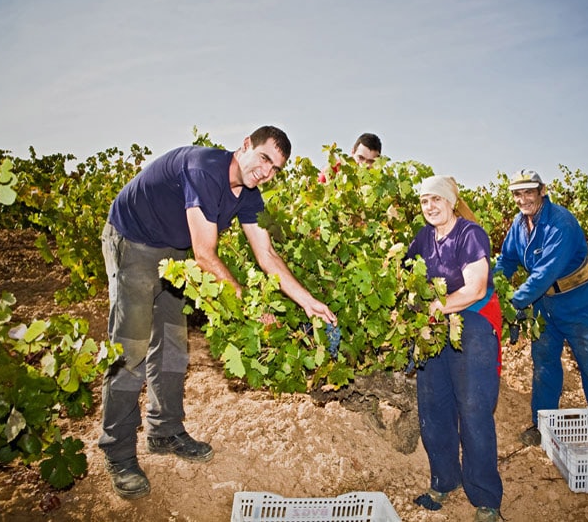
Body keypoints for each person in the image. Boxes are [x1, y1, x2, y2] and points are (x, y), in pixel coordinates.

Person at [99, 125, 337, 499]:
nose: (267, 172)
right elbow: (205, 255)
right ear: (245, 146)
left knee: (174, 346)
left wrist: (307, 301)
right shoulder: (203, 169)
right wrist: (249, 305)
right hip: (134, 241)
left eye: (276, 169)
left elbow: (267, 255)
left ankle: (165, 431)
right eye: (264, 159)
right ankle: (118, 453)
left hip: (174, 253)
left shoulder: (248, 194)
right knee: (131, 349)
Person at [494, 169, 588, 446]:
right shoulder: (519, 226)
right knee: (543, 363)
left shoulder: (561, 224)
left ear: (542, 191)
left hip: (578, 302)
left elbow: (543, 275)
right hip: (544, 305)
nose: (522, 199)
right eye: (517, 194)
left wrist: (509, 305)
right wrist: (489, 288)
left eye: (528, 192)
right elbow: (506, 261)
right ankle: (542, 424)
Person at [407, 176, 503, 522]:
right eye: (424, 201)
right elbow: (405, 273)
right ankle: (443, 481)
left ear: (450, 201)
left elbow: (476, 288)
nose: (430, 207)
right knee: (433, 406)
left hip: (473, 322)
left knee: (474, 408)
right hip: (435, 328)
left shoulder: (471, 234)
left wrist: (437, 307)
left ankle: (485, 496)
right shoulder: (423, 237)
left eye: (436, 199)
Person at [317, 132, 382, 183]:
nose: (364, 164)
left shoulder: (378, 181)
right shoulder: (331, 172)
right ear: (353, 152)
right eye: (361, 158)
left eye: (370, 161)